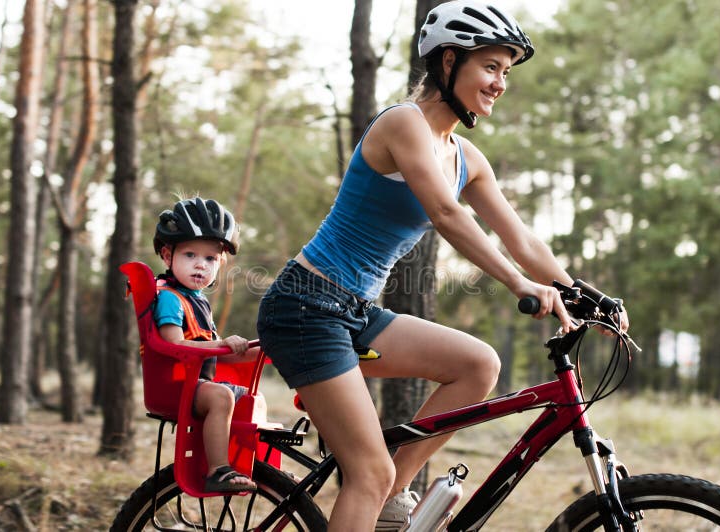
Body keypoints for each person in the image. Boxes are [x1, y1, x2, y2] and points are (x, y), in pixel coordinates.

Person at [257, 1, 630, 530]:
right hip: (305, 307)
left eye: (506, 71)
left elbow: (521, 238)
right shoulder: (403, 123)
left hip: (356, 311)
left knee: (478, 365)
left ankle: (392, 495)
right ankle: (378, 486)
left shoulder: (467, 157)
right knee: (365, 472)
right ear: (449, 62)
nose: (501, 82)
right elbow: (446, 214)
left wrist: (584, 294)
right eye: (491, 67)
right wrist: (519, 284)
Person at [152, 197, 260, 493]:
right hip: (179, 385)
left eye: (210, 259)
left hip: (198, 384)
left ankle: (260, 470)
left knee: (254, 400)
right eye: (189, 254)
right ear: (166, 255)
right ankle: (218, 469)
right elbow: (175, 343)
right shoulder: (170, 298)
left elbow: (216, 354)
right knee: (221, 397)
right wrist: (222, 343)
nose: (200, 264)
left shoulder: (198, 301)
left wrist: (259, 348)